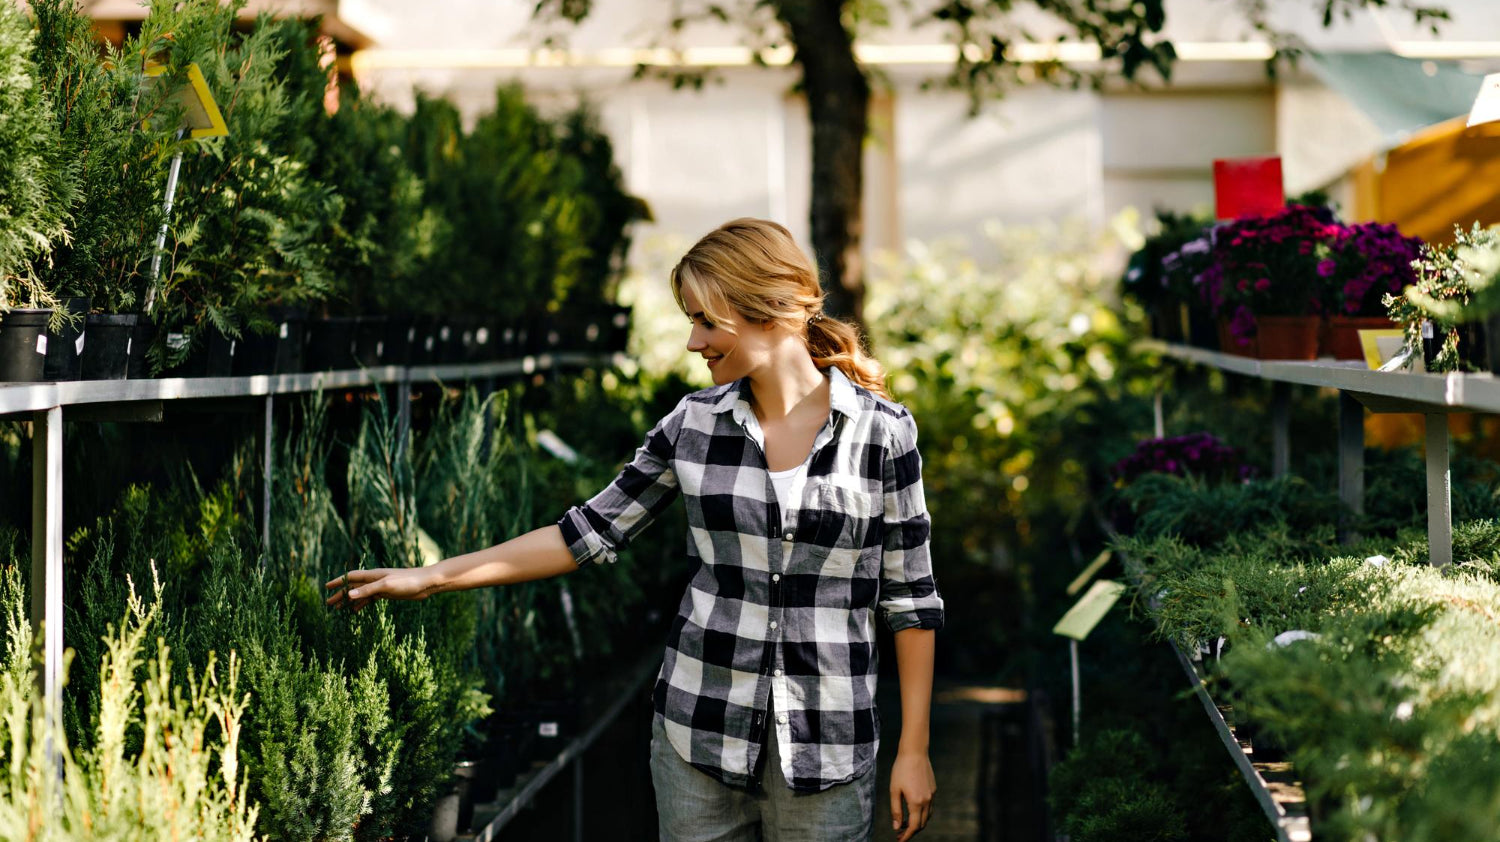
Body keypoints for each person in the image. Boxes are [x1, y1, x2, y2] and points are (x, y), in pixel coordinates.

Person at [326, 218, 945, 842]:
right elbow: (586, 532)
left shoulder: (882, 434)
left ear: (771, 312)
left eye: (706, 321)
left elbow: (911, 599)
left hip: (827, 748)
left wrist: (913, 749)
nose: (693, 342)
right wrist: (433, 577)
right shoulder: (693, 425)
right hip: (698, 739)